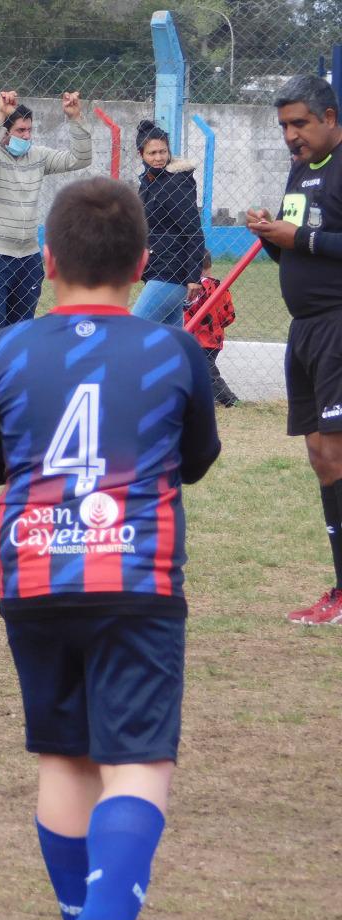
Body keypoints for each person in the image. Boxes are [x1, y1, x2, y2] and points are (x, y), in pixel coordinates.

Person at [0, 177, 220, 920]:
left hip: (35, 577)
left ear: (46, 261)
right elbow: (199, 459)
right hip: (135, 582)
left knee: (65, 756)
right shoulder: (173, 348)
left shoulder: (6, 348)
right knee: (138, 761)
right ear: (144, 264)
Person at [246, 75, 342, 625]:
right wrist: (270, 237)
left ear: (329, 117)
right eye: (284, 126)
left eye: (299, 123)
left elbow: (314, 242)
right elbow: (299, 254)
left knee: (338, 454)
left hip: (337, 328)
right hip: (303, 330)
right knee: (323, 460)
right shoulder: (300, 170)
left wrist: (297, 238)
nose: (290, 135)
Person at [0, 90, 92, 363]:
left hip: (26, 258)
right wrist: (0, 115)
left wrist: (75, 118)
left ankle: (16, 389)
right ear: (4, 132)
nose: (26, 136)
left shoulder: (37, 156)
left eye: (29, 130)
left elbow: (79, 159)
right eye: (20, 130)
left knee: (22, 332)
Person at [130, 120, 204, 327]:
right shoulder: (149, 182)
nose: (159, 158)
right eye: (152, 153)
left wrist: (193, 276)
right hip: (158, 270)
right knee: (170, 342)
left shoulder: (176, 183)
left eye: (163, 152)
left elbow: (193, 230)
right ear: (141, 154)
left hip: (171, 273)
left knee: (132, 330)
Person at [183, 251, 240, 407]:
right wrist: (217, 326)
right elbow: (230, 315)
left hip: (199, 338)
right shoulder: (221, 287)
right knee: (196, 370)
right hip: (214, 338)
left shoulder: (196, 288)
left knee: (207, 372)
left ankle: (230, 400)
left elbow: (188, 310)